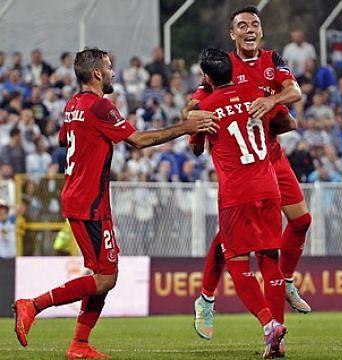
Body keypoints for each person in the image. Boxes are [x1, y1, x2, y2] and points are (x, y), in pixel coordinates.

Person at [12, 47, 218, 359]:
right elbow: (139, 140)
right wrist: (185, 128)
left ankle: (80, 344)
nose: (112, 72)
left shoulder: (73, 105)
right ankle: (34, 306)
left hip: (85, 197)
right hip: (88, 201)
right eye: (108, 67)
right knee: (105, 277)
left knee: (104, 275)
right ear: (96, 73)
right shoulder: (99, 106)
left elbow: (62, 140)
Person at [185, 6, 312, 341]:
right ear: (233, 34)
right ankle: (208, 297)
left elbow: (295, 94)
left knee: (301, 221)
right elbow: (192, 108)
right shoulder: (222, 67)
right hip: (245, 163)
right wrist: (204, 118)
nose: (250, 29)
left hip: (271, 157)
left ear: (262, 31)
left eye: (255, 24)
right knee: (232, 239)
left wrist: (271, 103)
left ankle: (285, 281)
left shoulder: (273, 59)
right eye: (242, 25)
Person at [196, 47, 295, 359]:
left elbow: (196, 147)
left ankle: (269, 326)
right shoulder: (257, 94)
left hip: (236, 193)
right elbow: (289, 123)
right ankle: (276, 328)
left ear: (207, 77)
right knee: (269, 259)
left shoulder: (206, 107)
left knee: (237, 261)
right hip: (269, 187)